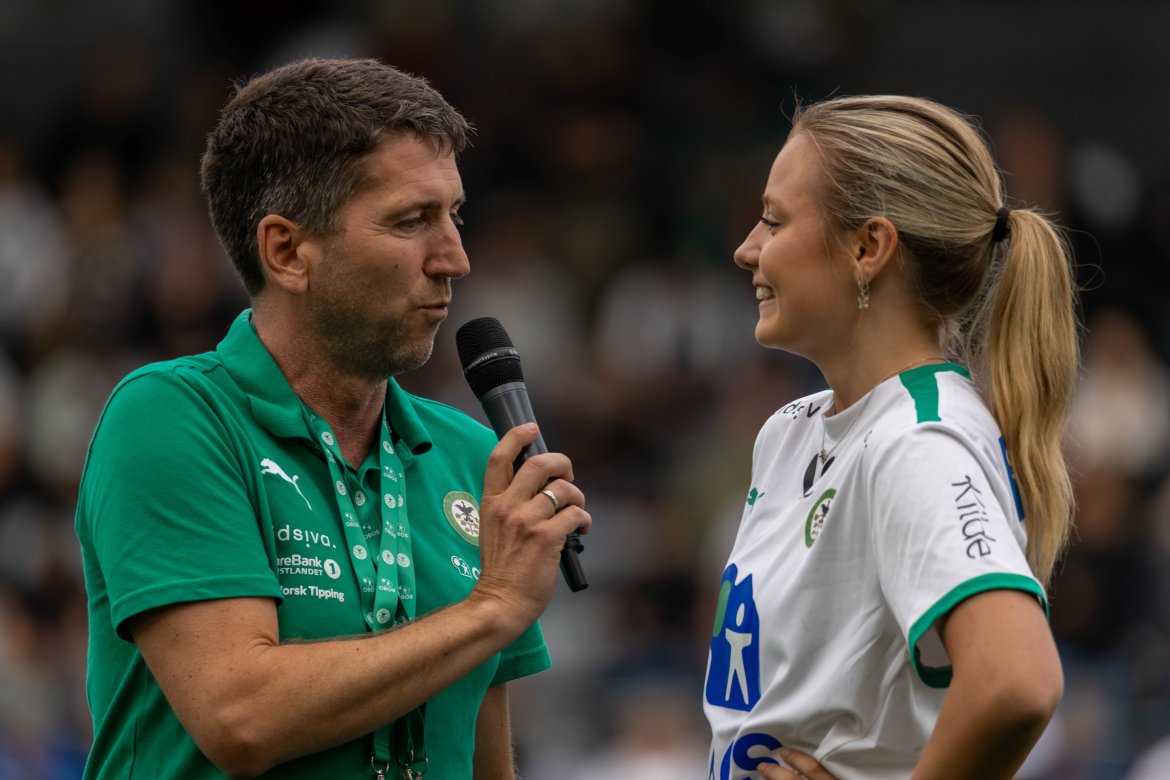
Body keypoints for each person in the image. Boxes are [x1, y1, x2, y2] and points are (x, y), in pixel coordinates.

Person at [74, 57, 590, 779]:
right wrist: (492, 606)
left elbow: (483, 766)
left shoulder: (474, 453)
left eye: (455, 215)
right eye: (412, 221)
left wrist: (488, 614)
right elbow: (240, 717)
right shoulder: (171, 416)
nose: (456, 259)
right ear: (287, 252)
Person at [703, 95, 1078, 779]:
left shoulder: (916, 442)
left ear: (868, 247)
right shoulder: (789, 431)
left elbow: (1017, 680)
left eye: (774, 220)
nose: (746, 248)